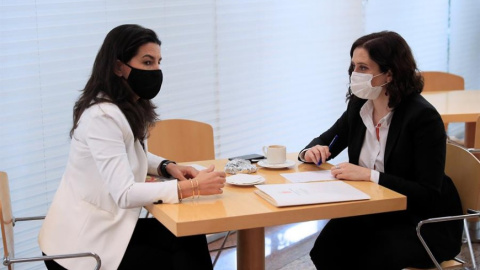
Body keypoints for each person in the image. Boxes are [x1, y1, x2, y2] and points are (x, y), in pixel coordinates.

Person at [38, 24, 226, 270]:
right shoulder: (102, 117)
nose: (156, 70)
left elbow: (127, 153)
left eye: (159, 62)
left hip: (105, 230)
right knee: (182, 259)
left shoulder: (121, 107)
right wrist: (190, 187)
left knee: (190, 236)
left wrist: (167, 167)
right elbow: (125, 194)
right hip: (80, 249)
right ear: (118, 67)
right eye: (147, 62)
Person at [299, 31, 463, 269]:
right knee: (325, 249)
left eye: (364, 68)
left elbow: (428, 193)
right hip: (375, 212)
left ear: (390, 73)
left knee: (369, 256)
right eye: (354, 66)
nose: (355, 74)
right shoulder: (359, 106)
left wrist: (370, 176)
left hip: (423, 222)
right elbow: (327, 141)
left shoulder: (422, 117)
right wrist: (312, 151)